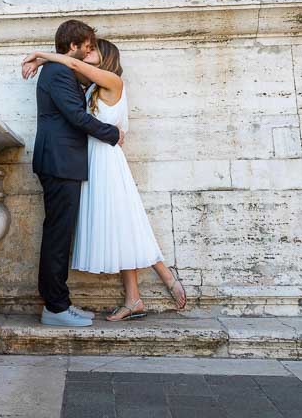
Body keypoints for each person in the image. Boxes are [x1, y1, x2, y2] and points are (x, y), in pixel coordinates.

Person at [23, 38, 188, 321]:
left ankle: (163, 276)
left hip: (107, 161)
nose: (88, 53)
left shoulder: (112, 80)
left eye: (93, 50)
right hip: (92, 161)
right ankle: (134, 297)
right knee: (120, 223)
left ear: (105, 56)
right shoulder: (92, 88)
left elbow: (73, 62)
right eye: (86, 48)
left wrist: (40, 55)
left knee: (125, 219)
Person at [29, 19, 125, 327]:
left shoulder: (60, 69)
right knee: (58, 235)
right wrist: (112, 133)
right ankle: (56, 307)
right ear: (73, 47)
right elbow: (76, 116)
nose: (89, 51)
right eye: (87, 47)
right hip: (59, 161)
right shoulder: (57, 73)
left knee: (60, 233)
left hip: (62, 161)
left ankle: (59, 303)